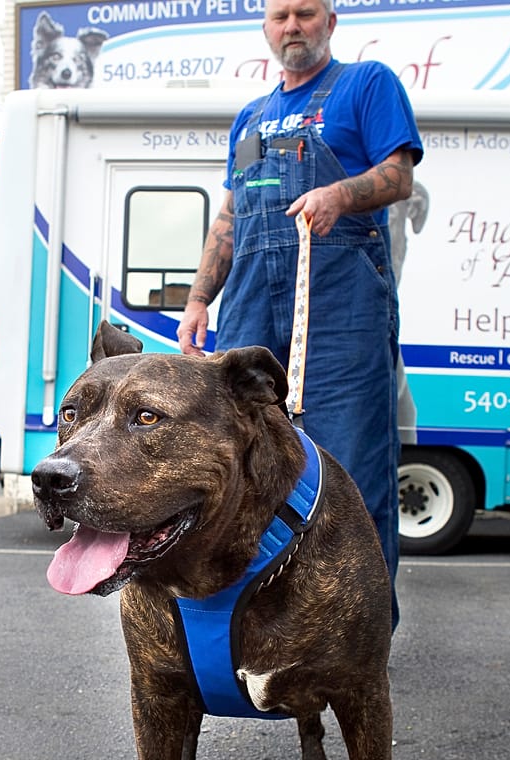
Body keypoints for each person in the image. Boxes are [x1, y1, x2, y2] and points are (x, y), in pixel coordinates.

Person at [176, 0, 421, 630]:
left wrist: (341, 193)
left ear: (330, 23)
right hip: (251, 296)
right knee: (239, 451)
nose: (293, 27)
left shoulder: (366, 84)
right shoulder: (250, 118)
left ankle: (356, 629)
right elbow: (229, 218)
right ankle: (254, 617)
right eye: (280, 16)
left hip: (341, 299)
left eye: (306, 14)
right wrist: (201, 298)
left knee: (350, 464)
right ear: (266, 28)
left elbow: (398, 176)